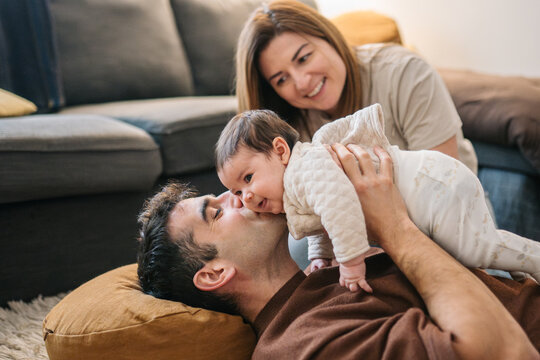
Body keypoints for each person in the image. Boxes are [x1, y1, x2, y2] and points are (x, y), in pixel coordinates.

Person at [136, 145, 540, 359]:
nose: (238, 196)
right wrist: (393, 226)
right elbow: (501, 353)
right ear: (214, 273)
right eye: (216, 211)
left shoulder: (322, 276)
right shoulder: (305, 345)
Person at [215, 105, 540, 292]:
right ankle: (521, 272)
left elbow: (338, 207)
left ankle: (533, 259)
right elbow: (322, 221)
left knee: (474, 250)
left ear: (280, 151)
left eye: (248, 178)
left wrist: (351, 263)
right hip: (431, 184)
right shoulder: (298, 179)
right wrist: (320, 257)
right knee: (478, 249)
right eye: (237, 191)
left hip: (433, 185)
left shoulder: (305, 166)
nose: (246, 197)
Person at [235, 0, 478, 175]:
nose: (302, 82)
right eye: (281, 80)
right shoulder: (288, 122)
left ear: (330, 38)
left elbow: (446, 185)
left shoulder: (405, 72)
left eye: (304, 58)